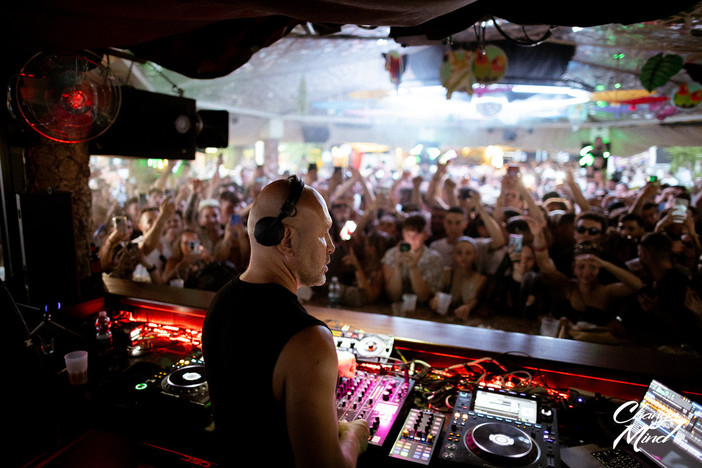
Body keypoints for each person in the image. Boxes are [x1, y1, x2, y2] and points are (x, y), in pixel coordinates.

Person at [202, 176, 369, 468]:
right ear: (287, 239)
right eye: (324, 233)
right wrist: (355, 435)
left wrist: (323, 362)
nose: (331, 246)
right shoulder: (309, 340)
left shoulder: (221, 301)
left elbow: (257, 363)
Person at [382, 213, 444, 303]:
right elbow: (393, 296)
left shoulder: (433, 258)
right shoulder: (391, 254)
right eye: (409, 233)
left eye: (417, 234)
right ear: (403, 232)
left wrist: (413, 267)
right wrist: (397, 266)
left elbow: (424, 297)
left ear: (426, 235)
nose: (412, 238)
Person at [429, 236, 488, 320]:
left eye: (468, 253)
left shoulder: (481, 279)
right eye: (459, 253)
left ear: (475, 255)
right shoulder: (447, 274)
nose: (463, 257)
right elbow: (434, 295)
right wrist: (433, 302)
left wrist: (468, 307)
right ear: (453, 254)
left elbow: (475, 300)